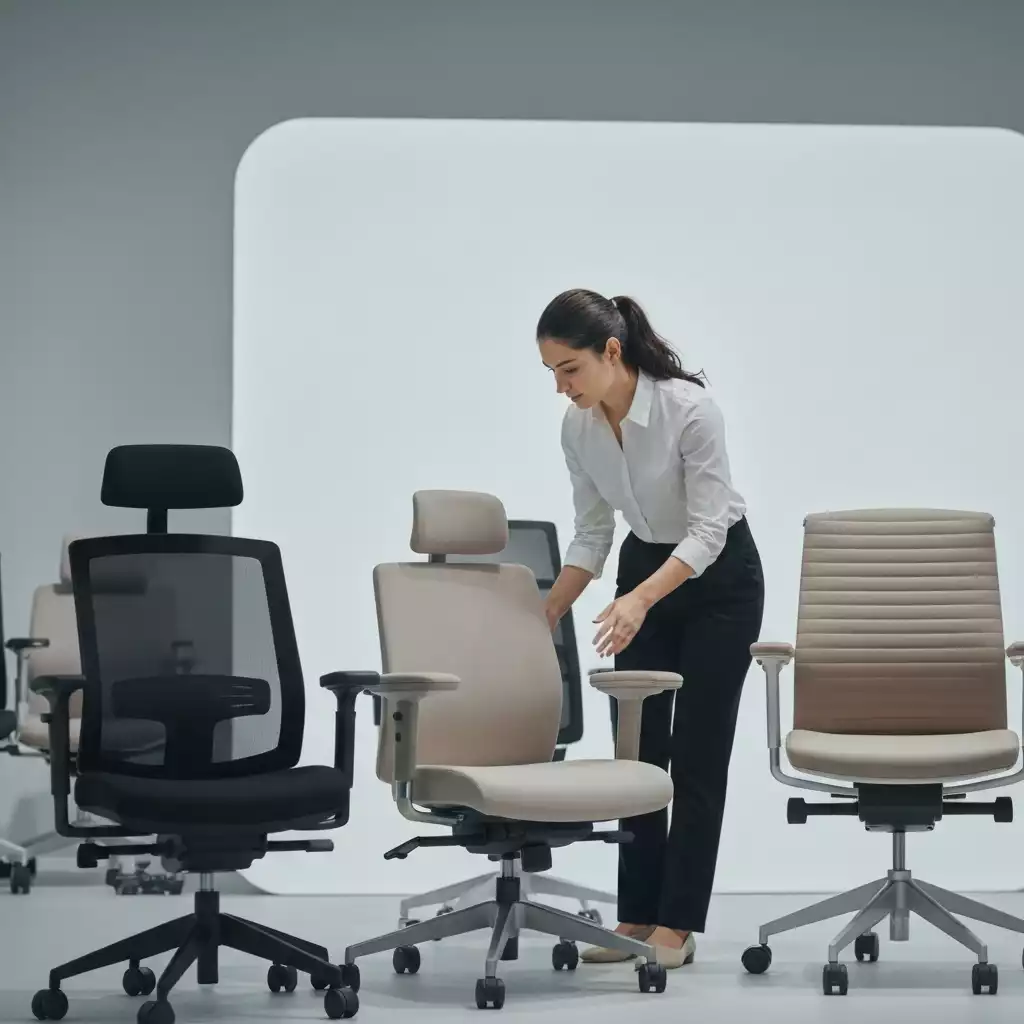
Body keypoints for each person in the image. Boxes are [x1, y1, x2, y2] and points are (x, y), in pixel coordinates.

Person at [537, 288, 764, 969]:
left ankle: (679, 924)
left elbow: (707, 530)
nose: (560, 387)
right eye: (550, 372)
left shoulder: (688, 410)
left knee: (696, 756)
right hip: (643, 564)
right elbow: (591, 534)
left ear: (612, 352)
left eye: (570, 369)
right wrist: (545, 612)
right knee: (637, 753)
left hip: (719, 579)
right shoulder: (576, 429)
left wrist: (639, 601)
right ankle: (635, 916)